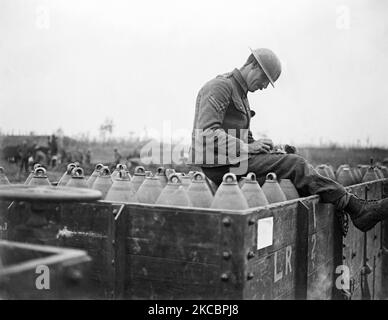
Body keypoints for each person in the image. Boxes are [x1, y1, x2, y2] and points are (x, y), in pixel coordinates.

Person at [189, 47, 388, 232]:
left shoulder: (240, 93)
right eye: (265, 79)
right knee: (296, 165)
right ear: (253, 66)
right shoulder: (221, 86)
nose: (265, 86)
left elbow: (242, 137)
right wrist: (248, 148)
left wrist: (269, 148)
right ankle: (357, 208)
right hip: (219, 165)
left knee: (288, 161)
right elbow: (206, 134)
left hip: (232, 160)